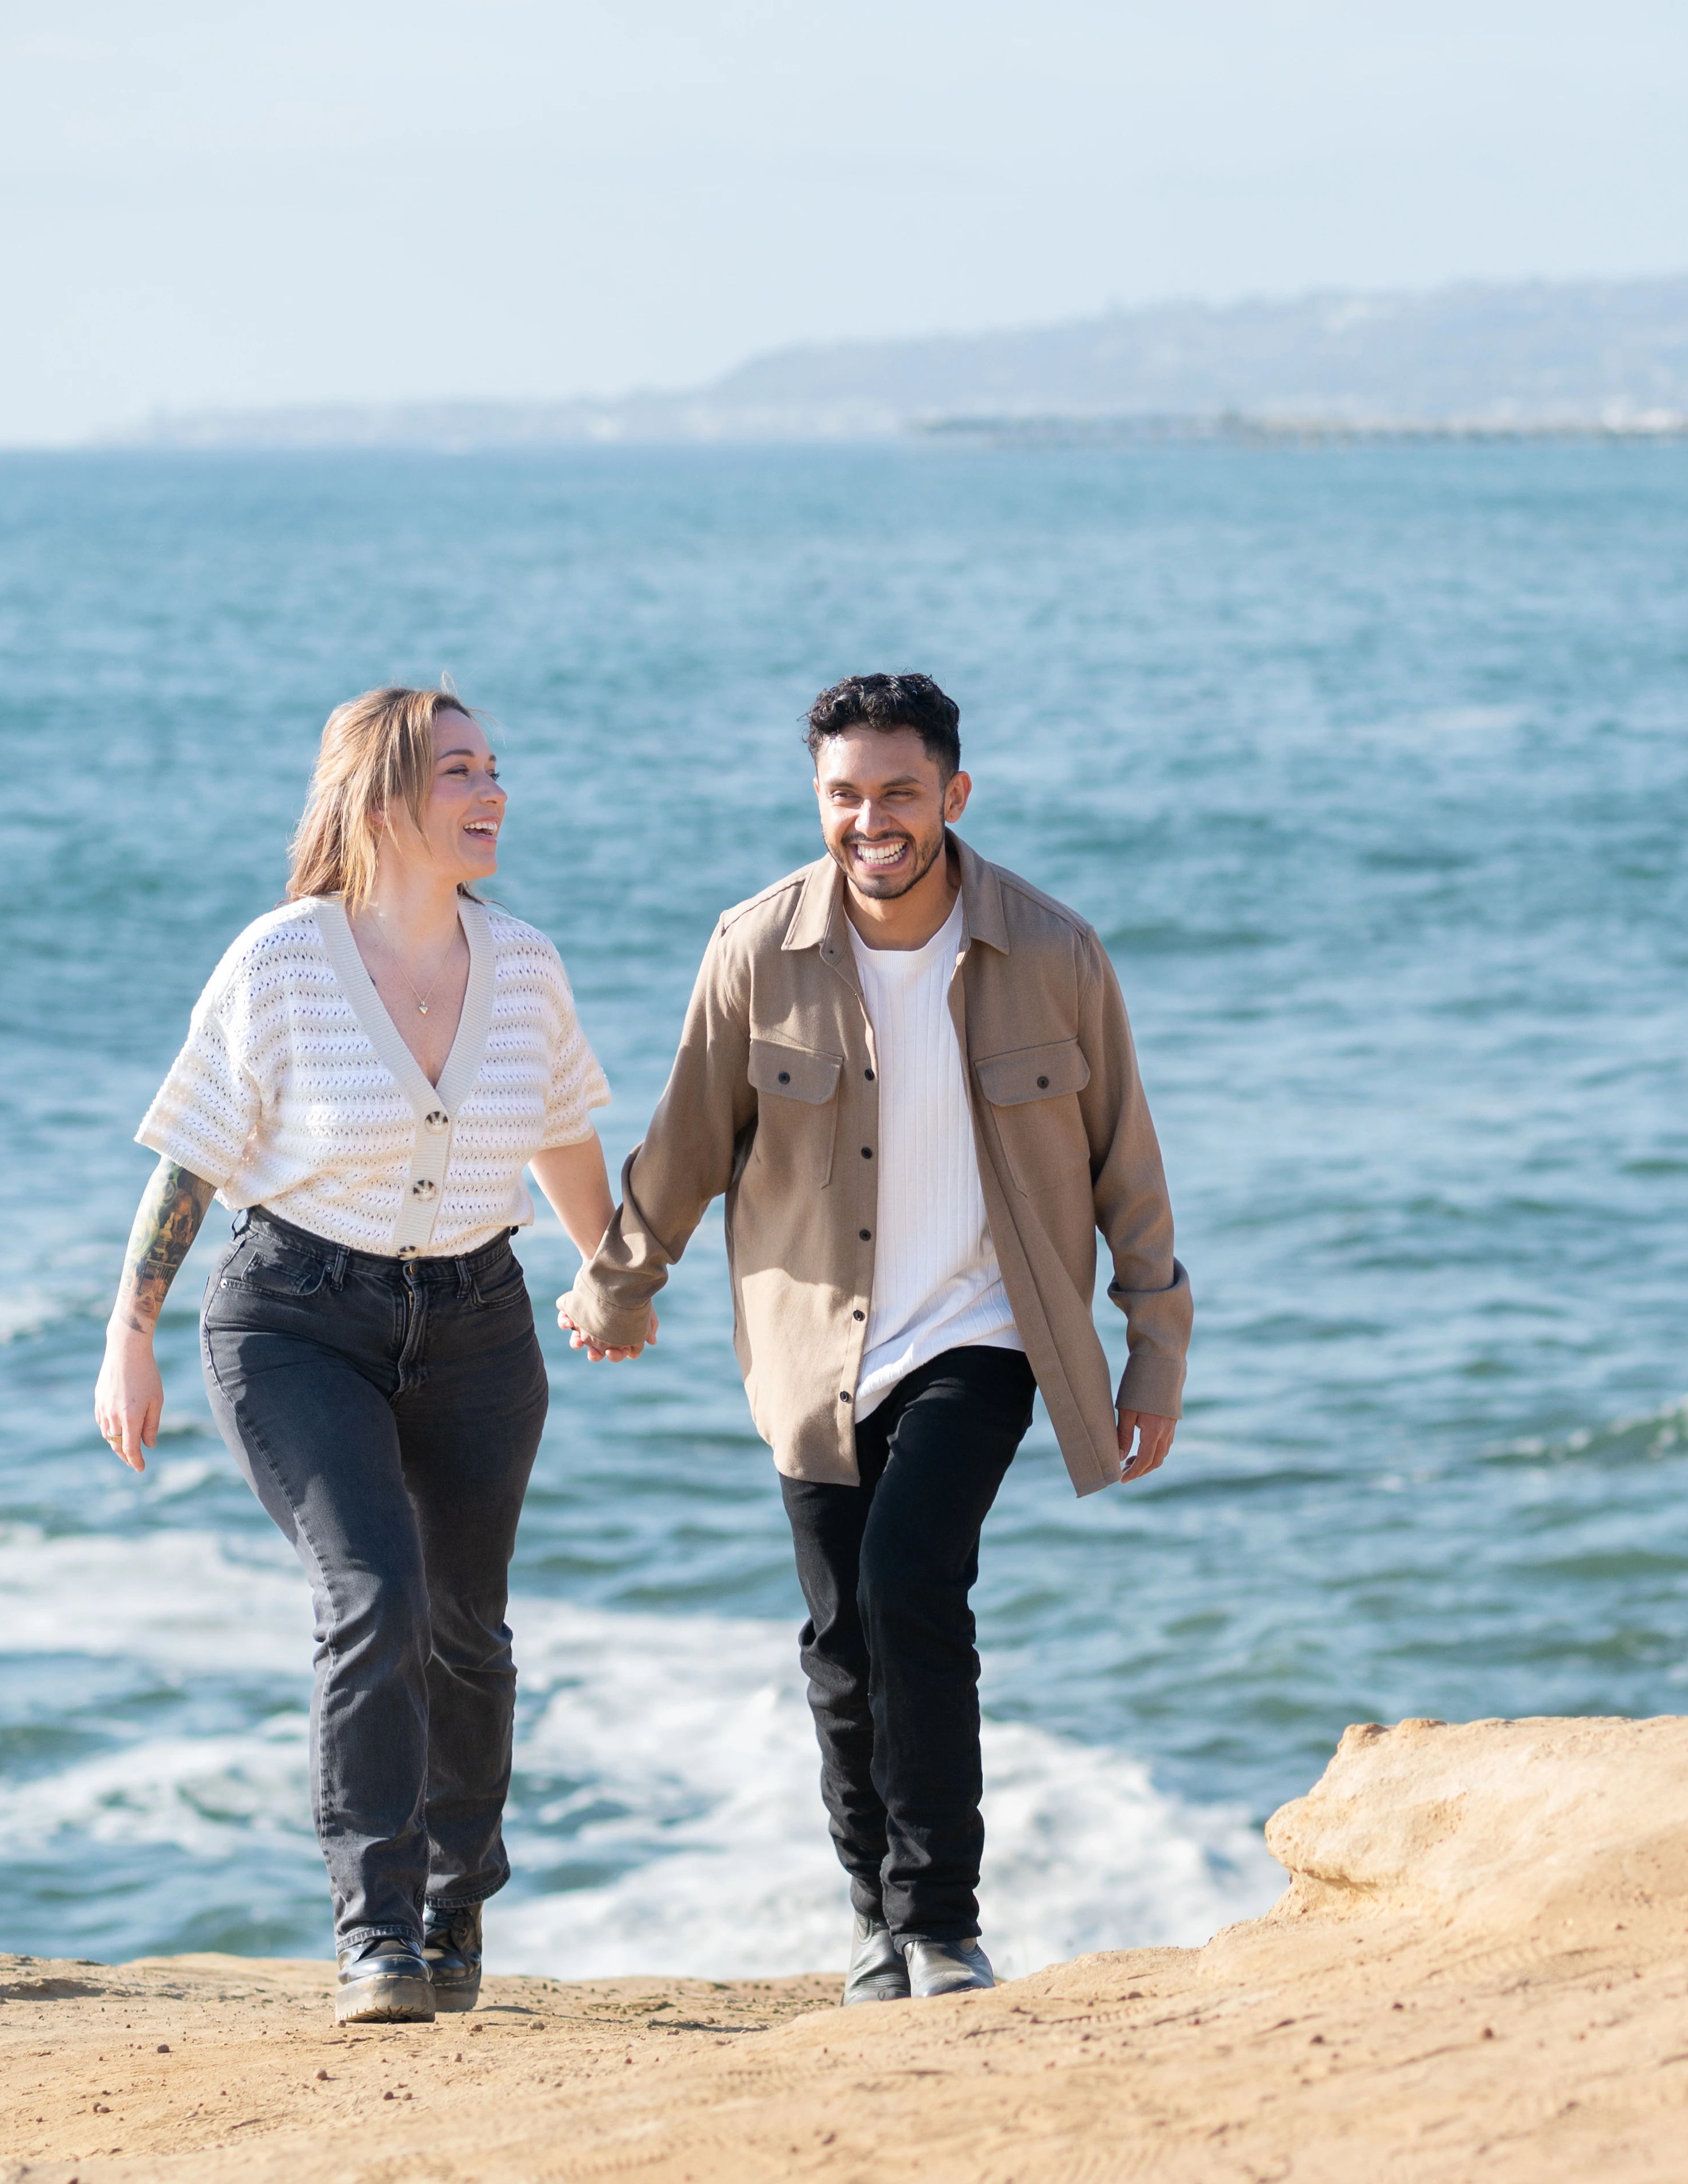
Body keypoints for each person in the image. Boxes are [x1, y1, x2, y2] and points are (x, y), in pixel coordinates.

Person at [556, 671, 1188, 2004]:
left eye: (898, 793)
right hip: (812, 1353)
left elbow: (1126, 1162)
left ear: (953, 796)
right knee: (841, 1638)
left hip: (987, 1331)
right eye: (844, 796)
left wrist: (1154, 1349)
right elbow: (686, 1145)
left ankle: (943, 1920)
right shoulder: (756, 950)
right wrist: (619, 1282)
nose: (870, 822)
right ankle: (873, 1921)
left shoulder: (1052, 952)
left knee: (912, 1582)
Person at [92, 686, 614, 2026]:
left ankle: (455, 1917)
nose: (491, 792)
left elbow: (558, 1128)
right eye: (458, 773)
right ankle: (374, 1934)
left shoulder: (528, 963)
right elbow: (195, 1152)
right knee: (374, 1590)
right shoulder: (281, 963)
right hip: (295, 1319)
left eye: (495, 767)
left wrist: (611, 1268)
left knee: (467, 1636)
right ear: (381, 800)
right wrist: (128, 1334)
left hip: (482, 1324)